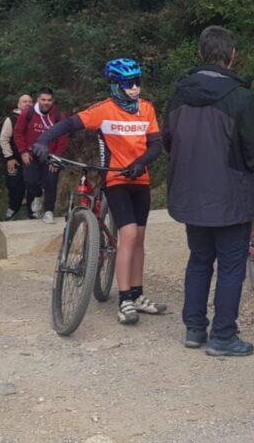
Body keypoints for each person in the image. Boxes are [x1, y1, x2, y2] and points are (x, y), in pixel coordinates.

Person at [30, 59, 167, 325]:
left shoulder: (147, 108)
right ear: (116, 85)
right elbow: (69, 124)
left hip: (140, 179)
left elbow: (156, 145)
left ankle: (138, 294)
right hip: (115, 180)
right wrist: (43, 140)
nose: (135, 88)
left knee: (139, 238)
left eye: (138, 82)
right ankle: (125, 299)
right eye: (129, 83)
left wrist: (141, 162)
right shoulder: (104, 110)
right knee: (128, 234)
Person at [164, 26, 254, 357]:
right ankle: (223, 335)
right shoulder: (241, 97)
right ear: (232, 55)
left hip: (190, 194)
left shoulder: (179, 94)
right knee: (231, 266)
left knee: (199, 259)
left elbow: (168, 141)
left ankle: (195, 328)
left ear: (201, 53)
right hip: (231, 197)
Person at [13, 87, 68, 224]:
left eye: (49, 100)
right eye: (43, 100)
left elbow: (63, 137)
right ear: (38, 100)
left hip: (51, 155)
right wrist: (23, 151)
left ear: (53, 101)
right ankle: (38, 195)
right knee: (30, 180)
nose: (46, 103)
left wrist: (57, 157)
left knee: (51, 182)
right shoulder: (28, 113)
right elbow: (18, 132)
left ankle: (49, 211)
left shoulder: (58, 115)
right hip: (31, 154)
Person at [0, 94, 35, 220]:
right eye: (24, 102)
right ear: (18, 105)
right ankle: (13, 207)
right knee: (13, 185)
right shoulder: (11, 119)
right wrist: (9, 157)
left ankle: (32, 210)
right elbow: (4, 139)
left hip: (32, 157)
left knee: (33, 183)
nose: (27, 104)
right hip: (14, 158)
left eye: (30, 101)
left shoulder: (37, 119)